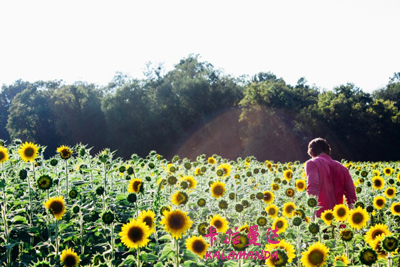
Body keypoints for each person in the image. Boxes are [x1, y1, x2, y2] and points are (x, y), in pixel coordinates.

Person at [305, 138, 356, 217]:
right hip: (338, 219)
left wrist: (312, 217)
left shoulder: (312, 163)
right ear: (328, 151)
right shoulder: (343, 168)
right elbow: (351, 197)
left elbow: (313, 189)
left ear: (311, 152)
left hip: (320, 219)